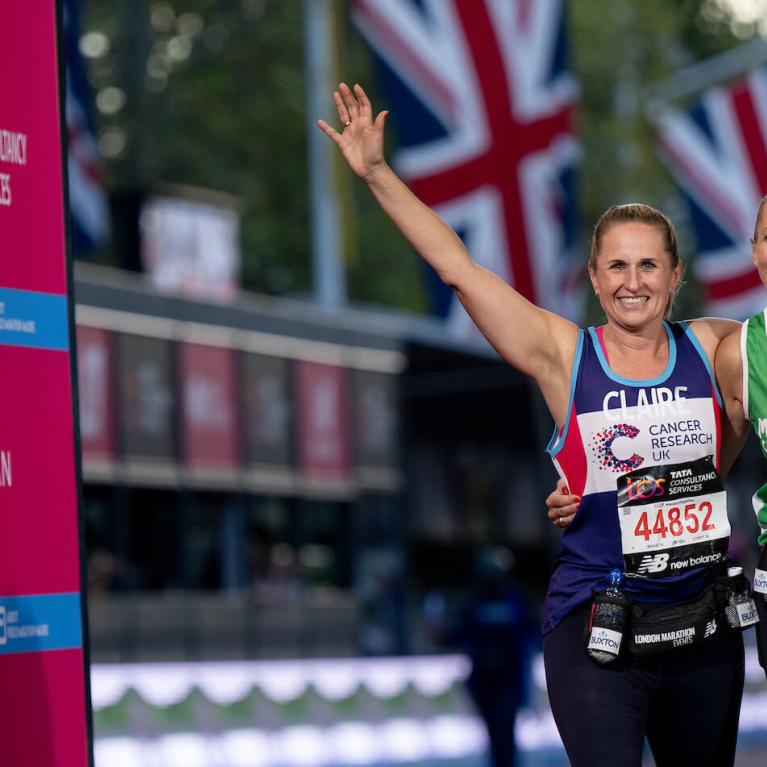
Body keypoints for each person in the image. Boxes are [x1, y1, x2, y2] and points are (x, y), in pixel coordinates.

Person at [318, 82, 751, 766]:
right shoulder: (563, 355)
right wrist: (376, 173)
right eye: (616, 264)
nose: (630, 280)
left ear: (674, 278)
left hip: (702, 634)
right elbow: (457, 268)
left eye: (647, 265)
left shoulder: (720, 348)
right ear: (593, 276)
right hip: (595, 631)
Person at [427, 548, 536, 767]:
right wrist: (438, 634)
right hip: (484, 682)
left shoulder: (515, 600)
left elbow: (532, 631)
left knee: (505, 733)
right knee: (494, 733)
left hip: (509, 680)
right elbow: (457, 633)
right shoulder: (475, 600)